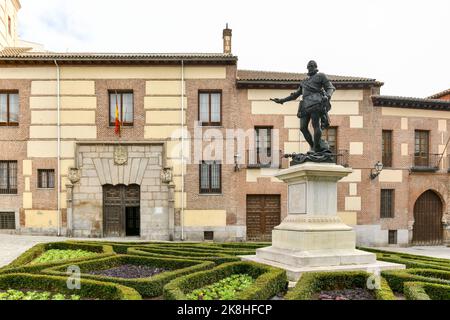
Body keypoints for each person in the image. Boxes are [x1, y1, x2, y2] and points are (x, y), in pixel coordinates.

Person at [271, 60, 335, 153]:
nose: (310, 67)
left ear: (316, 67)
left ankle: (315, 148)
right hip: (305, 105)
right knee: (303, 128)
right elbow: (295, 95)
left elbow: (330, 87)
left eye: (312, 66)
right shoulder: (304, 81)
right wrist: (282, 100)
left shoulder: (321, 76)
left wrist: (327, 96)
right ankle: (314, 146)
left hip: (316, 102)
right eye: (309, 66)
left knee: (315, 126)